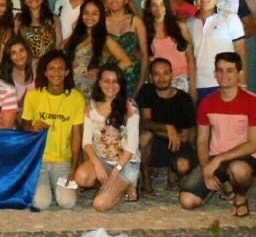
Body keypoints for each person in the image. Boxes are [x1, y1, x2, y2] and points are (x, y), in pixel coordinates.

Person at [179, 52, 256, 218]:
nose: (224, 75)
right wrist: (206, 169)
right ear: (214, 73)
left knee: (239, 170)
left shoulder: (252, 102)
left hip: (244, 156)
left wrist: (218, 160)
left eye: (230, 70)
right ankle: (225, 187)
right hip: (215, 157)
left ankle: (240, 197)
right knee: (187, 201)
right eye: (220, 70)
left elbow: (252, 144)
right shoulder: (207, 103)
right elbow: (202, 140)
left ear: (239, 74)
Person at [22, 50, 84, 210]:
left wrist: (74, 170)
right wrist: (33, 128)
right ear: (45, 72)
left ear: (67, 72)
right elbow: (24, 128)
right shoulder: (33, 96)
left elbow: (77, 136)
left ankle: (55, 187)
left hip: (63, 161)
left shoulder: (76, 98)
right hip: (39, 160)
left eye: (60, 68)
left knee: (68, 202)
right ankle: (42, 185)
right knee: (41, 203)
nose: (56, 73)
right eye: (51, 68)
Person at [75, 65, 141, 209]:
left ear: (121, 84)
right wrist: (97, 165)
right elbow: (86, 143)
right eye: (106, 81)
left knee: (100, 204)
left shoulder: (130, 106)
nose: (111, 85)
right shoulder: (91, 106)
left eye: (115, 81)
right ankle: (109, 186)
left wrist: (116, 171)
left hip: (125, 164)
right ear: (99, 82)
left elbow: (132, 147)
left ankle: (127, 184)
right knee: (81, 177)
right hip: (103, 160)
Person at [137, 58, 196, 196]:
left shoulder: (184, 99)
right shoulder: (147, 91)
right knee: (145, 136)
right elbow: (145, 122)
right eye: (156, 74)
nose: (161, 78)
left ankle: (173, 172)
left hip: (178, 144)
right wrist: (167, 128)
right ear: (150, 77)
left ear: (172, 74)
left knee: (183, 166)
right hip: (155, 143)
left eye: (165, 73)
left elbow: (185, 137)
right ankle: (146, 180)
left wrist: (168, 133)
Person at [187, 0, 246, 102]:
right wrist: (192, 85)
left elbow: (241, 51)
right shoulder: (189, 24)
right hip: (199, 85)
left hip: (225, 83)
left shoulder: (230, 18)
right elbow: (189, 57)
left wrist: (242, 82)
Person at [63, 0, 131, 100]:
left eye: (94, 13)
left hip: (90, 92)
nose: (89, 17)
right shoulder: (75, 37)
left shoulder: (106, 40)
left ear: (101, 16)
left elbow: (126, 62)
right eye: (86, 13)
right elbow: (60, 50)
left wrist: (101, 72)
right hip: (69, 90)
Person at [143, 0, 195, 96]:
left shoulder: (180, 26)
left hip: (182, 82)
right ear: (149, 8)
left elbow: (190, 58)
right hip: (159, 83)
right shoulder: (145, 30)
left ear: (166, 6)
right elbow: (146, 62)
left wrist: (192, 87)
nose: (159, 9)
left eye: (162, 4)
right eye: (154, 5)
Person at [104, 0, 148, 98]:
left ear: (126, 0)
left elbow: (144, 55)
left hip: (132, 76)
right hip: (109, 77)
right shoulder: (101, 22)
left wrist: (140, 84)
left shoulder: (136, 21)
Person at [15, 0, 61, 66]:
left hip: (48, 67)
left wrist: (46, 62)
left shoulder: (54, 19)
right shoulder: (19, 19)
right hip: (25, 66)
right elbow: (15, 46)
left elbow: (58, 45)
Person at [0, 36, 34, 122]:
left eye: (21, 51)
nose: (19, 56)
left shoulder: (36, 67)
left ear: (27, 51)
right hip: (14, 121)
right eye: (13, 53)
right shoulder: (4, 76)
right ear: (9, 56)